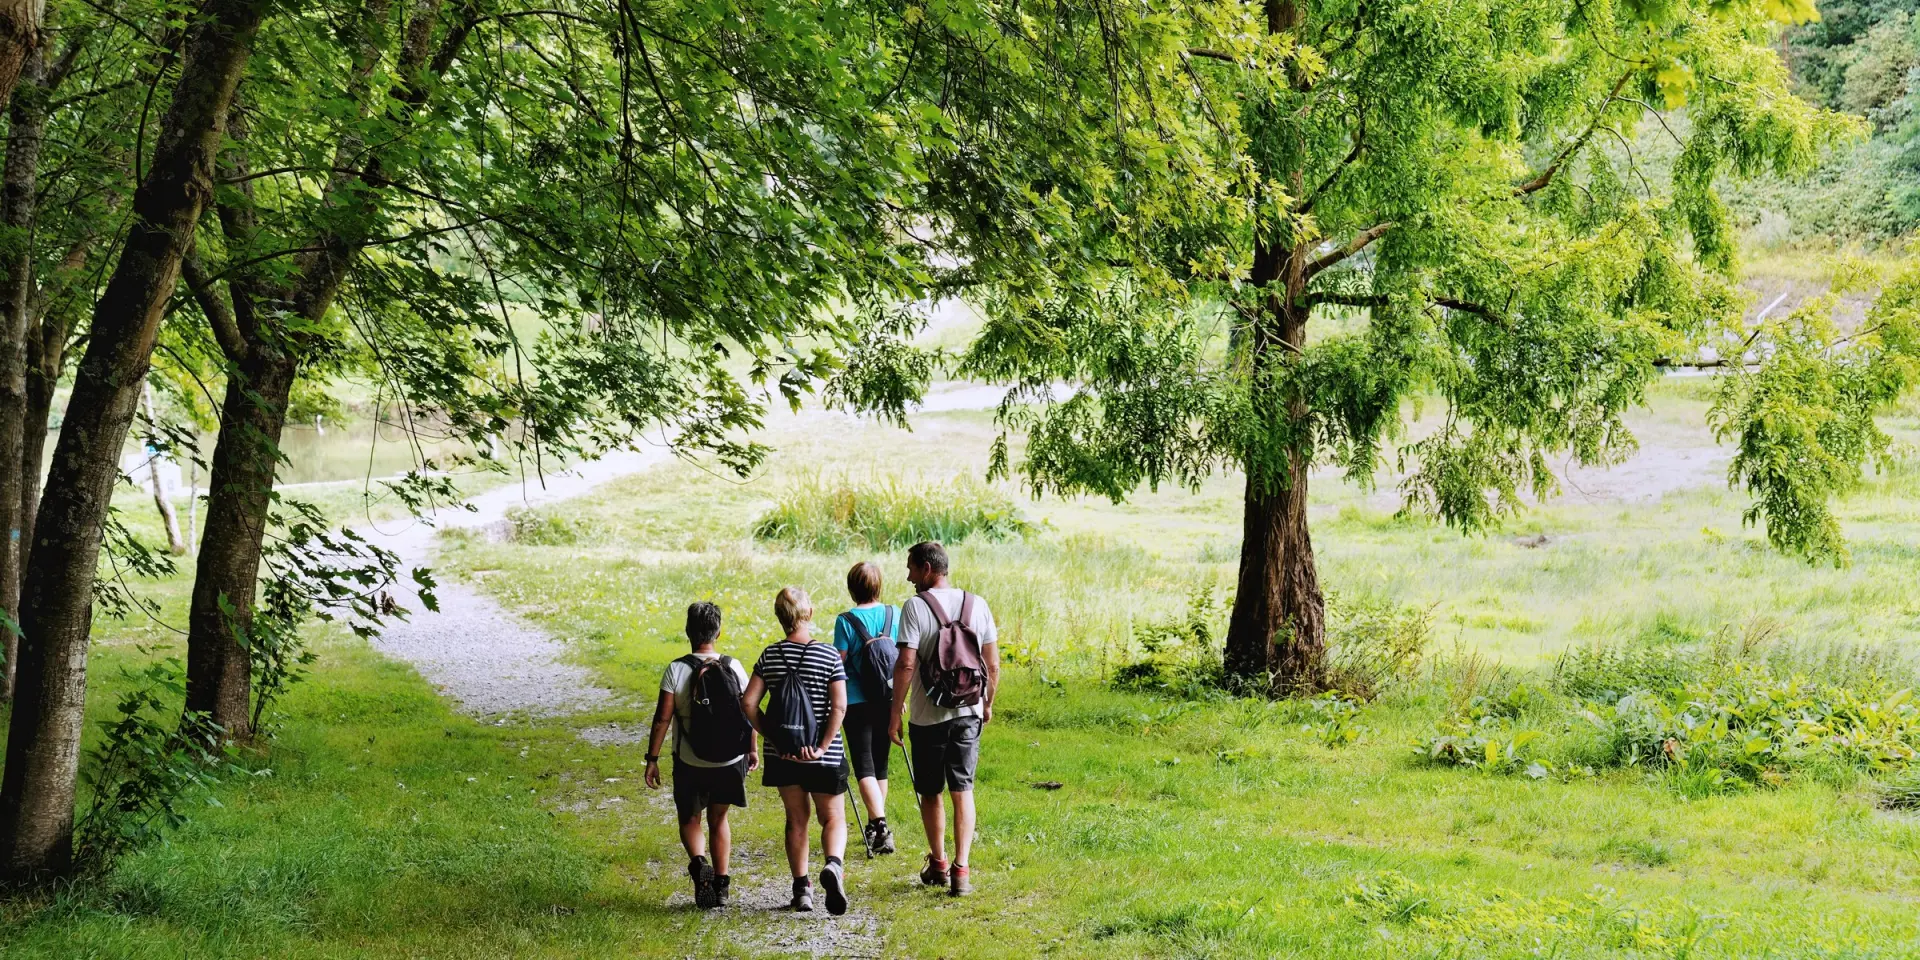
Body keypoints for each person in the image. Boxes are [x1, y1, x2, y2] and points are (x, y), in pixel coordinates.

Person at [889, 541, 999, 897]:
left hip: (927, 716)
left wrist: (895, 713)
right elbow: (992, 663)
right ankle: (962, 870)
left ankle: (938, 863)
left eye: (910, 568)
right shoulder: (977, 604)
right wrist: (988, 702)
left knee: (931, 791)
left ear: (925, 568)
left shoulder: (915, 607)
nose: (908, 577)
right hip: (968, 711)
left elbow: (906, 663)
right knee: (963, 789)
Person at [742, 586, 853, 914]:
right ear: (809, 613)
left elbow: (748, 702)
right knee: (832, 816)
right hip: (824, 756)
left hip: (784, 755)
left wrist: (773, 739)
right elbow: (840, 706)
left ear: (780, 618)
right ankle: (833, 865)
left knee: (796, 819)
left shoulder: (770, 655)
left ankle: (801, 889)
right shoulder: (828, 655)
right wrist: (821, 746)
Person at [644, 601, 756, 910]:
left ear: (688, 632)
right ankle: (721, 885)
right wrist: (752, 749)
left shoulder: (677, 670)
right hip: (730, 760)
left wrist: (652, 759)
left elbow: (662, 719)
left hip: (690, 761)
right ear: (718, 631)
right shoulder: (733, 667)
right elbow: (749, 711)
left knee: (689, 817)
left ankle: (698, 863)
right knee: (719, 819)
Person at [832, 561, 897, 857]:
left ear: (851, 588)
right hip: (887, 698)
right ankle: (875, 824)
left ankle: (881, 826)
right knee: (880, 764)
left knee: (864, 766)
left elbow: (839, 660)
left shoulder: (845, 621)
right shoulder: (891, 614)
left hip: (856, 701)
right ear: (879, 585)